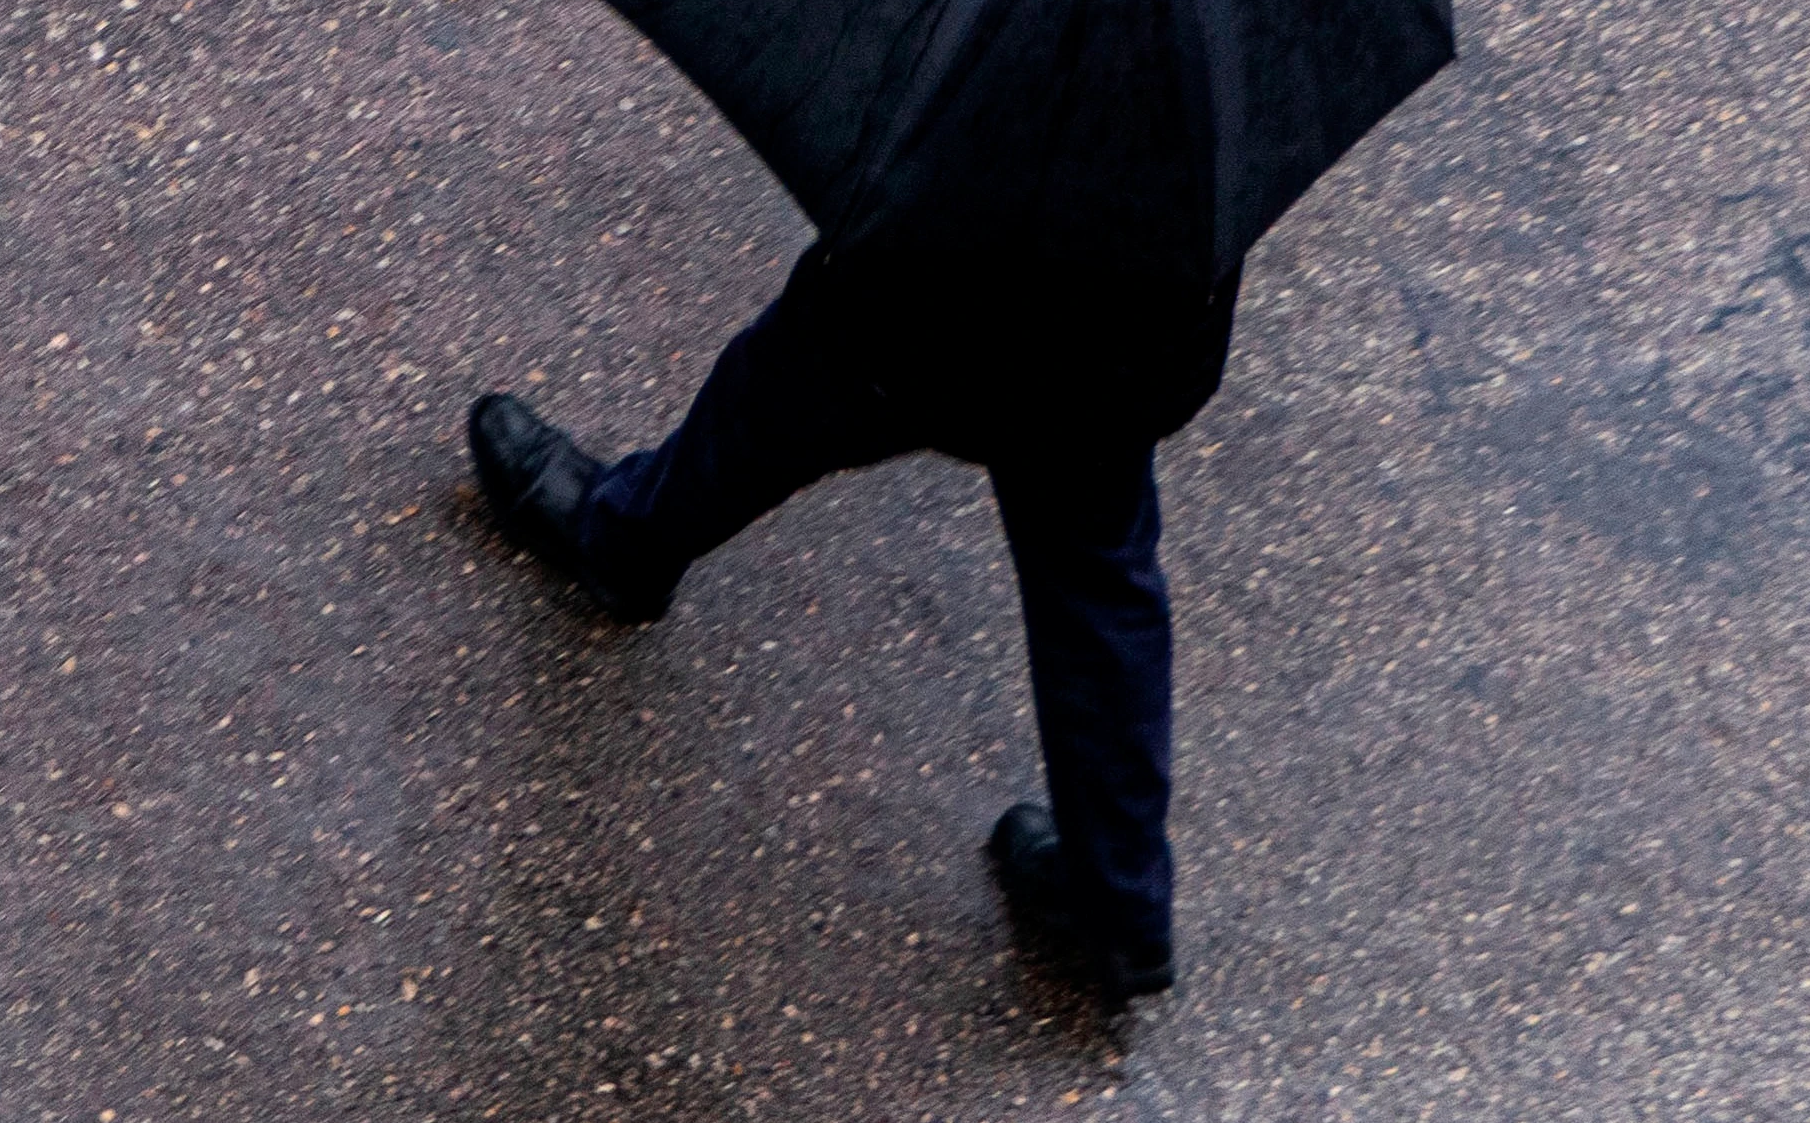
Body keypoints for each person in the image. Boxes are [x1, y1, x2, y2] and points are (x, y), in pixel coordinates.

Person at [466, 233, 1237, 1002]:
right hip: (1145, 307)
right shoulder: (1214, 135)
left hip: (956, 271)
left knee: (797, 378)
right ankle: (1118, 902)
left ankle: (626, 538)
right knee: (1095, 545)